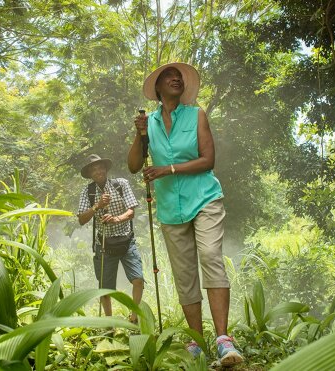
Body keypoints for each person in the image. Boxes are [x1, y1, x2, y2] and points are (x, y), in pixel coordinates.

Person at [127, 62, 243, 366]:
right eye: (169, 76)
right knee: (184, 274)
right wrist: (140, 136)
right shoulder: (147, 123)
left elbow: (208, 159)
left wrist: (170, 169)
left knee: (209, 256)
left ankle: (223, 339)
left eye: (178, 76)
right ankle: (197, 340)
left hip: (204, 198)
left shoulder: (196, 115)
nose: (175, 78)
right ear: (158, 89)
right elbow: (133, 166)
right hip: (169, 207)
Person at [77, 154, 144, 324]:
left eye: (100, 167)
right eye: (94, 169)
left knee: (138, 280)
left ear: (105, 169)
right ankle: (110, 324)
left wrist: (116, 219)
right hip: (104, 244)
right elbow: (81, 219)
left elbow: (131, 212)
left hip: (126, 241)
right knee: (105, 290)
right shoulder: (88, 191)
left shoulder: (121, 184)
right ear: (90, 174)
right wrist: (97, 206)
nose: (98, 171)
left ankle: (133, 318)